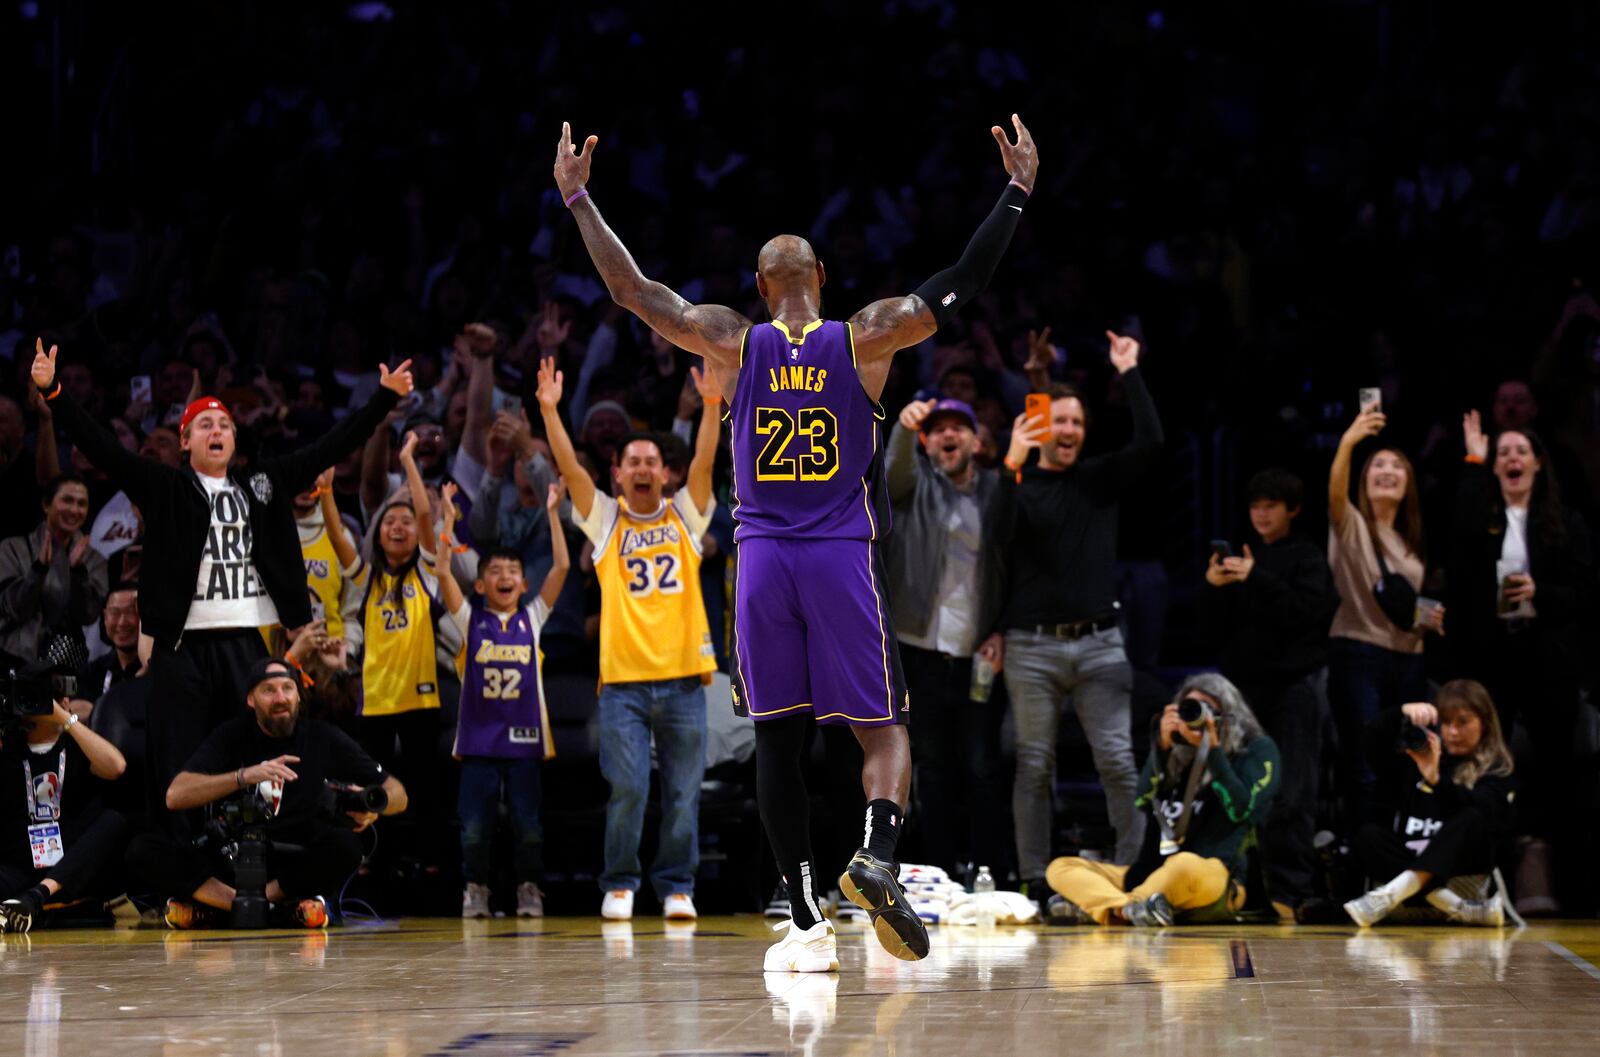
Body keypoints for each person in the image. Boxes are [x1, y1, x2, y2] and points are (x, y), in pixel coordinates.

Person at [552, 112, 1037, 970]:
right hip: (843, 554)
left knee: (778, 735)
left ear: (760, 284)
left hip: (762, 560)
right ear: (821, 275)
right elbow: (965, 279)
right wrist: (1015, 191)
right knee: (883, 732)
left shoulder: (731, 339)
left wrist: (579, 198)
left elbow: (631, 290)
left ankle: (806, 919)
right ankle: (877, 853)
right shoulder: (870, 333)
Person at [29, 341, 414, 834]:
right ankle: (184, 871)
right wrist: (54, 393)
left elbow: (333, 446)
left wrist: (383, 399)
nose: (217, 429)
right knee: (181, 762)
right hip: (180, 646)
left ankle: (266, 854)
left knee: (262, 750)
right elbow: (104, 447)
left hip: (243, 644)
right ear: (185, 442)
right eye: (204, 424)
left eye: (225, 424)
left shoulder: (262, 483)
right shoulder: (164, 484)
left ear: (234, 442)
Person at [535, 357, 720, 921]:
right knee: (630, 792)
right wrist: (549, 409)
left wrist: (712, 407)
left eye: (651, 462)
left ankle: (676, 885)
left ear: (665, 473)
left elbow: (706, 464)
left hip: (686, 681)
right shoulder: (607, 519)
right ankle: (619, 882)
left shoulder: (688, 515)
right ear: (618, 474)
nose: (641, 468)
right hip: (622, 686)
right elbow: (569, 468)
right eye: (632, 461)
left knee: (684, 796)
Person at [1000, 347, 1163, 898]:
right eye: (1060, 420)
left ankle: (1133, 873)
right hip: (1032, 647)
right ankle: (1032, 880)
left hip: (1100, 645)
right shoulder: (1018, 484)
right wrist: (1010, 464)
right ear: (1041, 426)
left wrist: (1129, 371)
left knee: (1118, 761)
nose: (1069, 429)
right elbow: (993, 535)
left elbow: (1151, 444)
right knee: (1034, 766)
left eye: (1077, 422)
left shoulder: (1097, 480)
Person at [126, 657, 408, 929]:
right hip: (234, 861)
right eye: (269, 691)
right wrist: (244, 775)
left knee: (347, 845)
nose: (280, 698)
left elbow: (397, 793)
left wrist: (373, 809)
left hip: (293, 867)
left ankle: (244, 907)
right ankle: (258, 908)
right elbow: (176, 795)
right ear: (251, 700)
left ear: (299, 696)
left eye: (287, 688)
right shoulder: (231, 735)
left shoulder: (323, 736)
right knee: (143, 848)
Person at [1445, 412, 1593, 913]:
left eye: (1519, 452)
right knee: (1488, 768)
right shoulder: (1482, 517)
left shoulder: (1566, 523)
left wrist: (1541, 593)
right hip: (1495, 659)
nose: (1511, 458)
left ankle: (1570, 889)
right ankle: (1482, 886)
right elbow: (1457, 535)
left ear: (1537, 464)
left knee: (1559, 772)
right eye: (1503, 452)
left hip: (1549, 659)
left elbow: (1586, 593)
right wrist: (1472, 457)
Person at [1201, 468, 1337, 910]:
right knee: (1239, 791)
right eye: (1256, 506)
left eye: (1271, 505)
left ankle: (1291, 890)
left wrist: (1258, 578)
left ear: (1292, 509)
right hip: (1245, 693)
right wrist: (1215, 589)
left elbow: (1308, 615)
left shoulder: (1307, 557)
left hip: (1294, 689)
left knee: (1293, 790)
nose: (1261, 514)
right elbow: (1224, 631)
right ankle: (1244, 886)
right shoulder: (1243, 559)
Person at [885, 397, 1008, 880]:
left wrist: (1001, 628)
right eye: (938, 430)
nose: (948, 435)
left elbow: (1015, 565)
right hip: (921, 648)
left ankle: (990, 870)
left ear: (977, 443)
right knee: (932, 769)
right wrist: (901, 426)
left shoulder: (997, 493)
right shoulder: (915, 485)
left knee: (981, 765)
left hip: (979, 650)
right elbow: (894, 472)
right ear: (926, 442)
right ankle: (938, 875)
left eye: (959, 428)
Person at [1046, 674, 1280, 926]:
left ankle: (1107, 906)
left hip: (1213, 877)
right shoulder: (1176, 754)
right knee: (1061, 867)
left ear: (1228, 715)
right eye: (1187, 709)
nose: (1195, 718)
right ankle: (1126, 909)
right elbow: (1141, 801)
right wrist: (1161, 748)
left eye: (1205, 709)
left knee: (1183, 864)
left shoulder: (1255, 750)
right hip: (1151, 874)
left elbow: (1241, 810)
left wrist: (1212, 752)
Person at [436, 481, 569, 919]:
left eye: (513, 570)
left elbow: (562, 567)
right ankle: (475, 888)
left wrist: (552, 512)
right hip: (477, 744)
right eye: (495, 571)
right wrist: (448, 526)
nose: (505, 576)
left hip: (526, 744)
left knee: (528, 828)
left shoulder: (533, 617)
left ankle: (529, 888)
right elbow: (441, 575)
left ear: (524, 581)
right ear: (479, 584)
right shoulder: (470, 620)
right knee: (475, 830)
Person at [1326, 407, 1443, 826]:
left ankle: (1398, 863)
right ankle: (1364, 868)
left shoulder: (1412, 542)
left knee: (1406, 763)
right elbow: (1336, 490)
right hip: (1358, 656)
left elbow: (1409, 604)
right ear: (1364, 478)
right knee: (1364, 766)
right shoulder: (1351, 524)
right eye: (1378, 466)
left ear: (1410, 482)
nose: (1388, 471)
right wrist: (1350, 441)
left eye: (1397, 466)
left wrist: (1429, 618)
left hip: (1409, 660)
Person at [343, 432, 455, 821]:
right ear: (376, 532)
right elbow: (343, 547)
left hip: (421, 699)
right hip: (374, 700)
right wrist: (326, 495)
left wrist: (407, 460)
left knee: (424, 784)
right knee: (373, 787)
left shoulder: (426, 572)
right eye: (389, 519)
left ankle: (427, 862)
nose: (398, 526)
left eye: (405, 521)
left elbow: (426, 513)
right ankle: (377, 861)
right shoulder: (366, 578)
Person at [1343, 680, 1515, 927]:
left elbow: (1485, 813)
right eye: (1446, 723)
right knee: (1368, 835)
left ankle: (1390, 894)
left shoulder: (1497, 768)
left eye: (1463, 722)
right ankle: (1456, 907)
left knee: (1472, 817)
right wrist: (1400, 711)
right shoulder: (1419, 758)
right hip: (1413, 865)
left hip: (1461, 875)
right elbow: (1369, 742)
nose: (1453, 732)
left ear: (1485, 724)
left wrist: (1436, 780)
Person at [0, 695, 129, 933]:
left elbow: (116, 767)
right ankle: (26, 904)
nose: (59, 702)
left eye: (58, 696)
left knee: (114, 821)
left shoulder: (78, 746)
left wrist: (65, 718)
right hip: (20, 870)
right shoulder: (9, 751)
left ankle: (37, 897)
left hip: (69, 871)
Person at [0, 474, 108, 665]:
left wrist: (78, 573)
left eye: (81, 503)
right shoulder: (12, 549)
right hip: (12, 660)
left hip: (65, 663)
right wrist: (38, 569)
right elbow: (15, 609)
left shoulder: (93, 559)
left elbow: (87, 616)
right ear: (46, 505)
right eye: (67, 500)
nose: (74, 509)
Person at [82, 582, 143, 699]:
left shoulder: (159, 672)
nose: (122, 622)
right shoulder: (93, 672)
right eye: (115, 612)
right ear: (105, 617)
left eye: (131, 612)